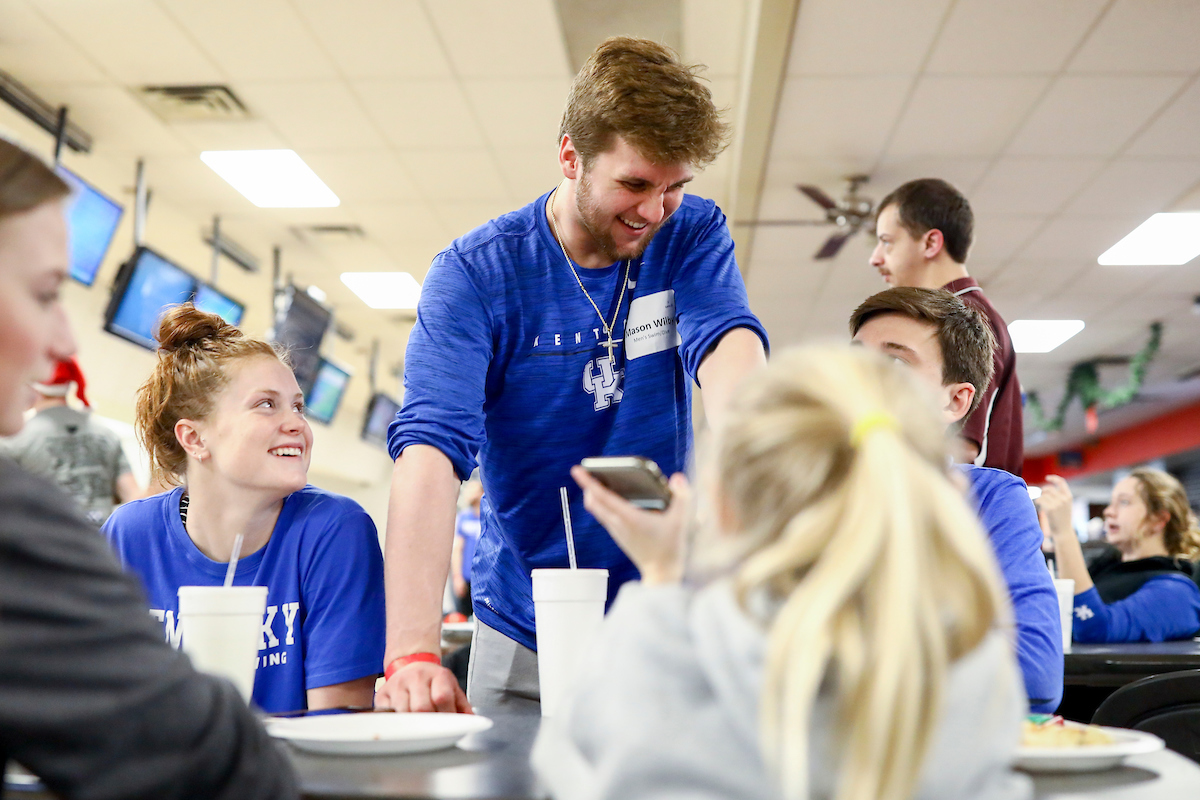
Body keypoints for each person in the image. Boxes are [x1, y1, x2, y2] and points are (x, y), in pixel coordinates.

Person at [378, 36, 768, 714]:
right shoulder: (476, 274)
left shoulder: (691, 234)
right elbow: (430, 450)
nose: (655, 211)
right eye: (636, 184)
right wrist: (412, 649)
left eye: (675, 186)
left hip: (660, 615)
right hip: (525, 623)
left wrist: (765, 450)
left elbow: (727, 349)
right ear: (570, 157)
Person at [537, 345, 1031, 800]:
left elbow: (563, 775)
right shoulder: (973, 670)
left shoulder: (651, 648)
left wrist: (661, 573)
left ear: (723, 507)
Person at [0, 136, 295, 797]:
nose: (65, 342)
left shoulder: (332, 531)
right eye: (47, 294)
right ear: (193, 438)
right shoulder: (17, 527)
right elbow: (203, 758)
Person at [103, 304, 385, 713]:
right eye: (266, 405)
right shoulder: (129, 536)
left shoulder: (335, 530)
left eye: (298, 406)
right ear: (195, 438)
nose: (297, 425)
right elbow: (107, 706)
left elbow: (334, 726)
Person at [850, 287, 1062, 712]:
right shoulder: (799, 488)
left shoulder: (990, 499)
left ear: (955, 400)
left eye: (894, 361)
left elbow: (1035, 676)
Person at [869, 178, 1023, 475]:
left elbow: (959, 450)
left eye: (887, 242)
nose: (875, 258)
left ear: (930, 243)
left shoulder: (966, 316)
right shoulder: (959, 314)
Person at [1040, 469, 1200, 642]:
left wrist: (1063, 532)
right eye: (1111, 502)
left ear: (1158, 520)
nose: (1109, 511)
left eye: (1124, 502)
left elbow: (1094, 630)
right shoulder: (1104, 568)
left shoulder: (1176, 593)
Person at [0, 356, 142, 524]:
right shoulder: (107, 435)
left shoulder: (14, 439)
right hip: (100, 543)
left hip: (44, 542)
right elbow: (134, 498)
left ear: (33, 386)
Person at [451, 479, 483, 618]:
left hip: (483, 578)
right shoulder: (464, 518)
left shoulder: (488, 518)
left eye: (472, 489)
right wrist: (457, 577)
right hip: (466, 578)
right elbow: (458, 549)